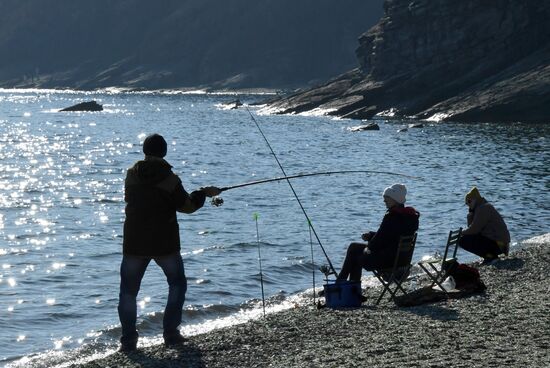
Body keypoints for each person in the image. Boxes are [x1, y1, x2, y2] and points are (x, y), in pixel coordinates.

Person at [118, 133, 221, 352]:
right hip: (164, 243)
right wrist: (203, 193)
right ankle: (171, 334)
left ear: (145, 151)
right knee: (177, 283)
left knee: (128, 292)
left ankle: (128, 341)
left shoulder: (130, 175)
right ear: (164, 152)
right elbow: (187, 206)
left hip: (134, 243)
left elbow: (131, 199)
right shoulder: (170, 179)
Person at [338, 183, 420, 282]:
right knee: (354, 248)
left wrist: (368, 249)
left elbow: (378, 242)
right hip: (401, 261)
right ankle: (346, 286)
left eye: (387, 198)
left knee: (355, 254)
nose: (384, 200)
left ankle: (346, 288)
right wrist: (371, 235)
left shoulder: (392, 216)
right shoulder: (410, 217)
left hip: (387, 261)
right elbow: (389, 235)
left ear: (395, 199)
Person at [459, 187, 510, 263]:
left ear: (475, 199)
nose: (468, 204)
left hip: (499, 244)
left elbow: (474, 230)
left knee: (462, 240)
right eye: (466, 203)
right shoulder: (480, 207)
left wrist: (461, 232)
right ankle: (488, 256)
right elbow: (472, 229)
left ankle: (491, 257)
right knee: (467, 238)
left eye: (469, 201)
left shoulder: (483, 208)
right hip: (498, 243)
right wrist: (470, 215)